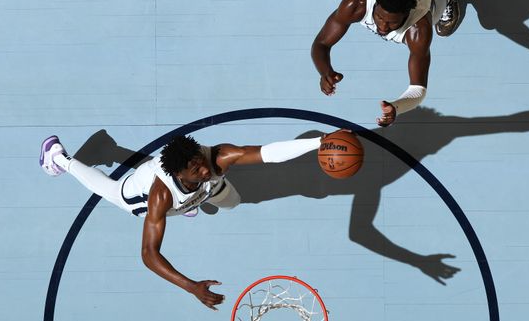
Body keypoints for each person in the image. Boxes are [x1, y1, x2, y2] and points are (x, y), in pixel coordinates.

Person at [39, 132, 325, 309]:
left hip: (194, 194)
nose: (204, 169)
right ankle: (60, 157)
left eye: (200, 161)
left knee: (233, 202)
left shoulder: (217, 158)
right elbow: (149, 254)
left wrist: (319, 142)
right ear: (178, 173)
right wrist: (191, 286)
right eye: (195, 169)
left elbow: (268, 153)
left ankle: (190, 202)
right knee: (109, 190)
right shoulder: (159, 196)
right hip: (138, 197)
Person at [286, 0, 460, 127]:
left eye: (392, 23)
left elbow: (418, 89)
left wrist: (397, 107)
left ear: (407, 14)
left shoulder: (418, 28)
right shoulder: (357, 2)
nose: (383, 28)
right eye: (379, 18)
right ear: (374, 4)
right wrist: (325, 71)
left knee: (432, 15)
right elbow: (322, 43)